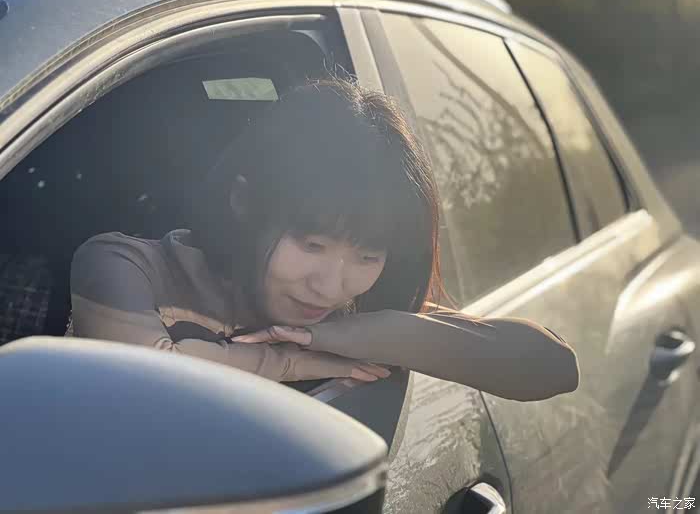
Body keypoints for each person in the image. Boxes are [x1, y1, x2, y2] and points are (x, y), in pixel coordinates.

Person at [69, 78, 579, 401]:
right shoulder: (128, 265)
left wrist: (349, 335)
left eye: (368, 255)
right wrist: (297, 359)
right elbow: (150, 382)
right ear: (244, 201)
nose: (331, 286)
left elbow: (552, 367)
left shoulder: (354, 315)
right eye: (311, 245)